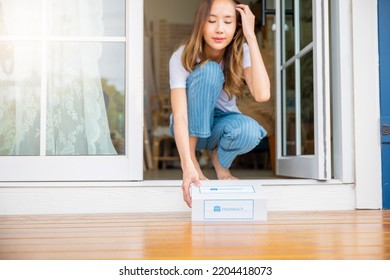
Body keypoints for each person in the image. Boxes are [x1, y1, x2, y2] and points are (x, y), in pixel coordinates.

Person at [169, 0, 270, 207]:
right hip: (188, 125)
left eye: (228, 21)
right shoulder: (182, 56)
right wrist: (188, 165)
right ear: (201, 24)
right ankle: (195, 161)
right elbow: (179, 115)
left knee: (251, 130)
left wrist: (250, 36)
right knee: (209, 71)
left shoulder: (242, 51)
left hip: (221, 126)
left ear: (237, 25)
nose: (219, 29)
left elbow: (262, 94)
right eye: (212, 21)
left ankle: (220, 163)